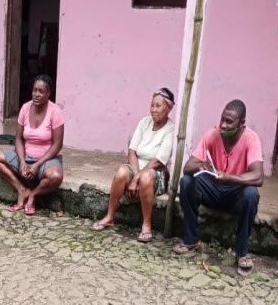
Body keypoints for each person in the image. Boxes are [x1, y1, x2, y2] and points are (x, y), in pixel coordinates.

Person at [175, 99, 263, 276]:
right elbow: (188, 167)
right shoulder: (212, 134)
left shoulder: (251, 139)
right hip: (213, 189)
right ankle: (191, 239)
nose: (223, 125)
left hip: (234, 193)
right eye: (222, 119)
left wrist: (229, 177)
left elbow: (258, 176)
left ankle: (241, 251)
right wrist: (201, 166)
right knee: (186, 182)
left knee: (251, 194)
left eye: (229, 122)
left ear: (242, 124)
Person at [92, 88, 176, 242]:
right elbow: (132, 151)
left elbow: (158, 161)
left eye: (158, 106)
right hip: (137, 167)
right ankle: (110, 216)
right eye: (152, 105)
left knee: (146, 177)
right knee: (122, 172)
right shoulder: (144, 122)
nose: (154, 110)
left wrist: (136, 178)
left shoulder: (171, 129)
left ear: (169, 108)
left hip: (155, 172)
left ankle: (147, 225)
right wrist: (134, 174)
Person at [0, 75, 64, 217]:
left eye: (41, 91)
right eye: (34, 90)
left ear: (48, 94)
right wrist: (22, 160)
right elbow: (18, 138)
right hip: (26, 156)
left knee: (56, 176)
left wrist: (37, 165)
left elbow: (57, 145)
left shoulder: (55, 112)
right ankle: (21, 190)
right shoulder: (25, 108)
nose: (36, 94)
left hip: (47, 159)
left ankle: (33, 195)